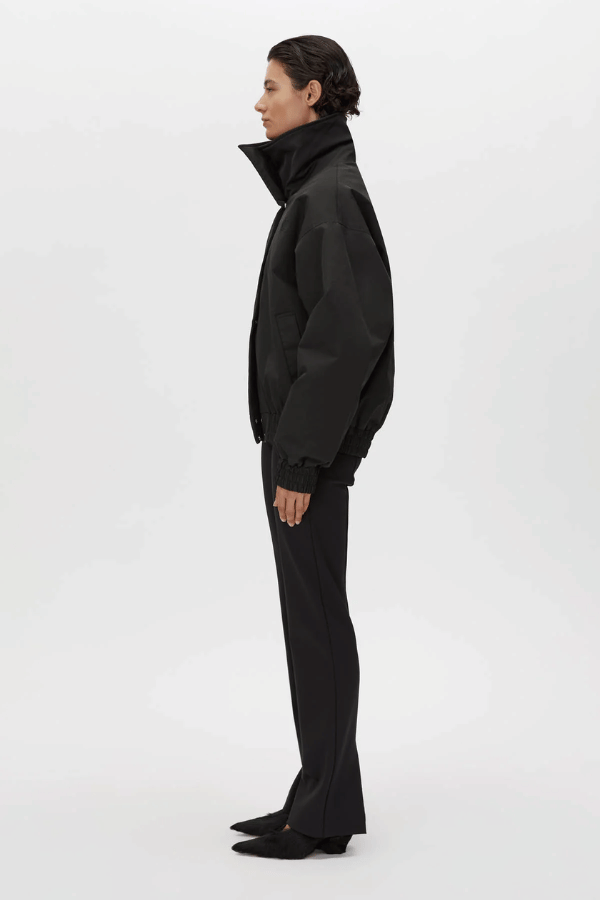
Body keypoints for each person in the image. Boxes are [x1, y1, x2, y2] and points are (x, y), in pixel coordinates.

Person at [230, 35, 395, 860]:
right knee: (312, 619)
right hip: (302, 444)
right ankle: (318, 794)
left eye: (272, 86)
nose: (260, 103)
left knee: (318, 620)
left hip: (307, 453)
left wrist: (301, 460)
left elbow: (347, 342)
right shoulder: (315, 189)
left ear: (314, 94)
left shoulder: (328, 195)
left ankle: (323, 811)